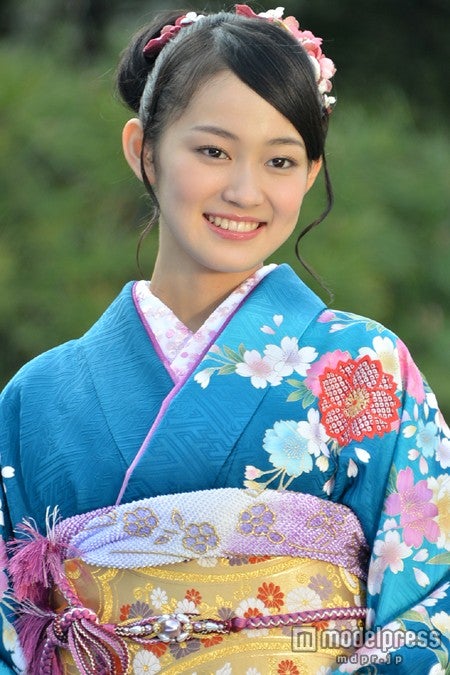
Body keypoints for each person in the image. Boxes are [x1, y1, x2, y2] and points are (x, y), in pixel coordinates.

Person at [0, 4, 448, 674]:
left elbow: (430, 607)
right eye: (213, 151)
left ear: (310, 172)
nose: (244, 190)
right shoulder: (35, 400)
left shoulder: (364, 370)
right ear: (143, 150)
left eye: (280, 160)